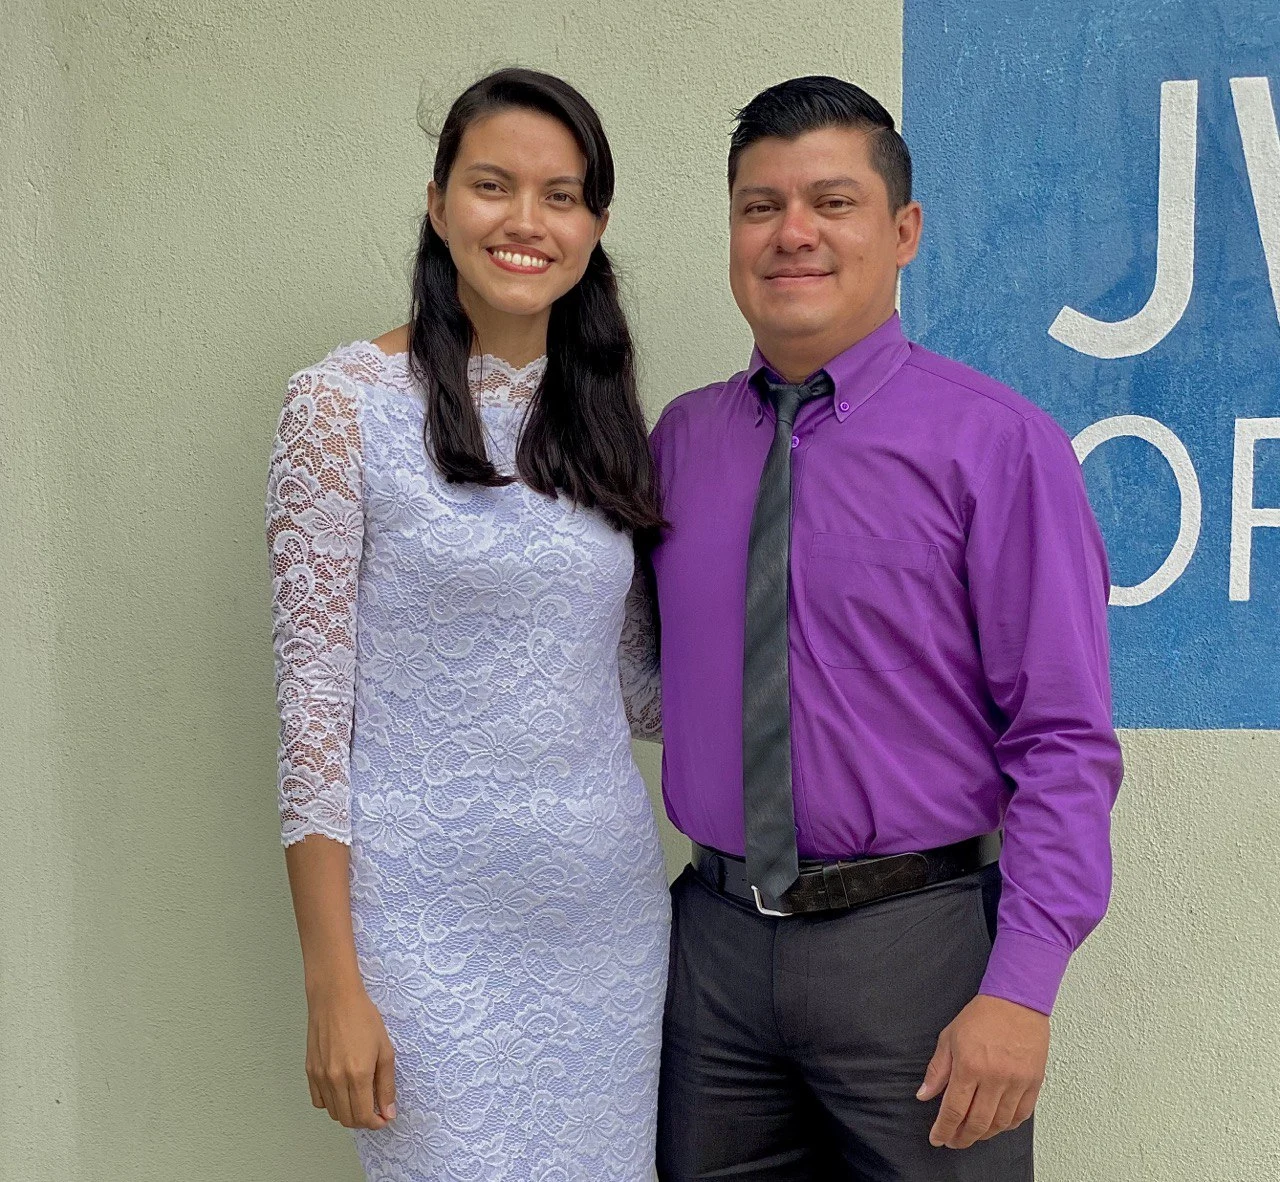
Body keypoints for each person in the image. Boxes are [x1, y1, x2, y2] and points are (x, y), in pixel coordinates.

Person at [647, 76, 1123, 1180]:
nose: (791, 234)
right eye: (758, 206)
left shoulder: (996, 446)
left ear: (902, 231)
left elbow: (1061, 740)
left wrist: (1020, 986)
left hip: (915, 958)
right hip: (709, 958)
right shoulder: (680, 442)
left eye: (831, 201)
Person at [266, 67, 669, 1181]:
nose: (525, 222)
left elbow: (633, 688)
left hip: (603, 925)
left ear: (594, 223)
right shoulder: (338, 407)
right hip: (420, 928)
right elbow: (310, 728)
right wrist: (332, 984)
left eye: (561, 194)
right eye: (493, 185)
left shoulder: (599, 417)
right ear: (439, 202)